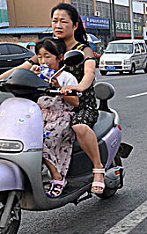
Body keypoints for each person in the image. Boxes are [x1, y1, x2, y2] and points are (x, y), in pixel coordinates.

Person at [0, 4, 106, 194]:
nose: (57, 25)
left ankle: (98, 169)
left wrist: (78, 87)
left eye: (63, 21)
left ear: (75, 25)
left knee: (79, 125)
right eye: (54, 21)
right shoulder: (48, 47)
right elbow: (21, 68)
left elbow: (89, 73)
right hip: (49, 104)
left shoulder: (84, 50)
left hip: (80, 103)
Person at [32, 37, 79, 198]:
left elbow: (75, 102)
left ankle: (57, 176)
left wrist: (59, 87)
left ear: (59, 58)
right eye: (39, 57)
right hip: (40, 117)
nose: (43, 61)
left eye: (47, 56)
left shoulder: (67, 77)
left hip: (61, 118)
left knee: (40, 143)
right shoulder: (36, 76)